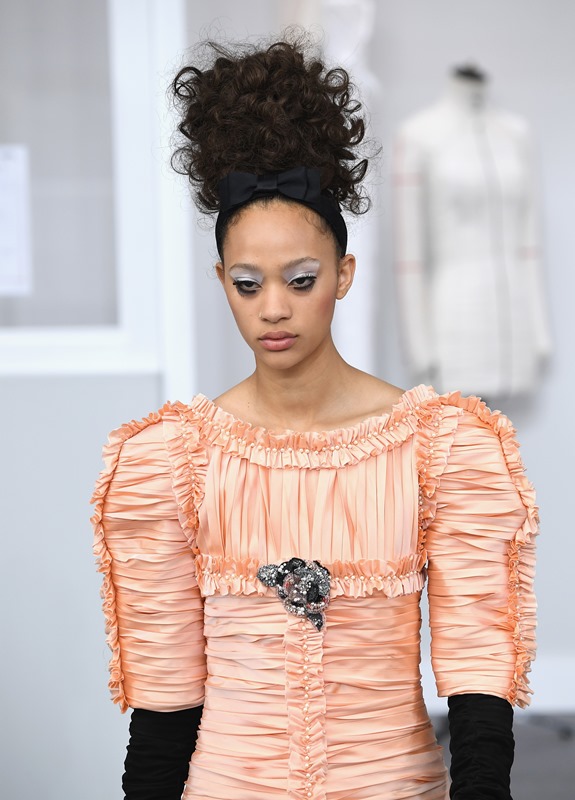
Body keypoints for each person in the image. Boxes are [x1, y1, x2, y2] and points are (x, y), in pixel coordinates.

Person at [90, 32, 539, 800]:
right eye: (247, 283)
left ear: (343, 273)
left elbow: (476, 681)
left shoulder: (440, 450)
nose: (273, 308)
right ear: (221, 282)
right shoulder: (167, 463)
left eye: (300, 279)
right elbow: (164, 707)